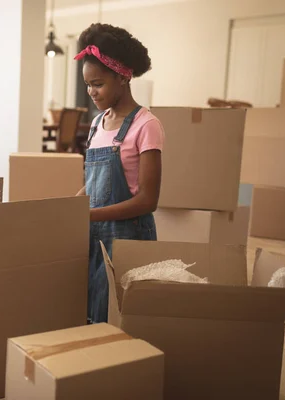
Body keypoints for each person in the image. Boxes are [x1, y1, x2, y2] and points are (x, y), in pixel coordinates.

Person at [75, 24, 165, 324]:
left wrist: (90, 216)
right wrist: (69, 208)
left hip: (128, 238)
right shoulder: (96, 124)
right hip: (94, 236)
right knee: (90, 310)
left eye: (98, 84)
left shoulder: (146, 125)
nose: (91, 92)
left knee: (116, 316)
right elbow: (91, 187)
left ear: (123, 77)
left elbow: (148, 201)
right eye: (88, 84)